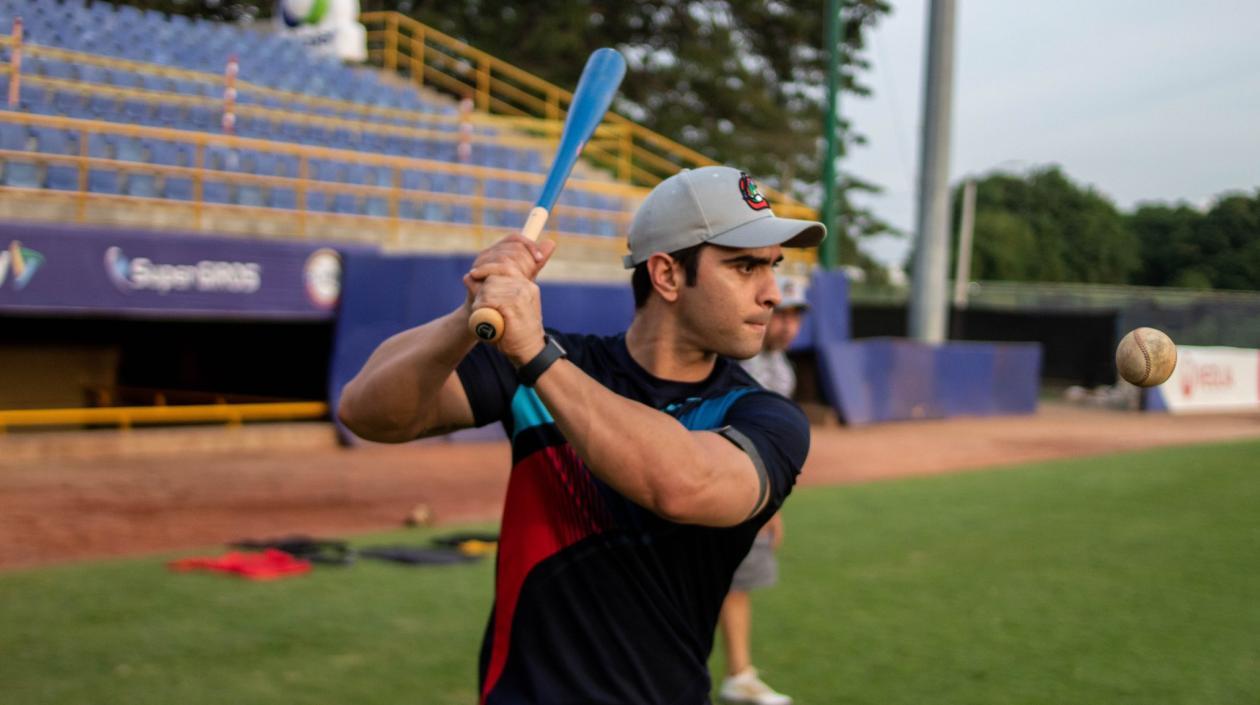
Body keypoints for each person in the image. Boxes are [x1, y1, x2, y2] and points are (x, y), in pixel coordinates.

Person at [338, 166, 825, 704]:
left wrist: (534, 354)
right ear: (666, 275)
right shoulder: (544, 364)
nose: (772, 294)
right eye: (746, 266)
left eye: (773, 267)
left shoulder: (765, 415)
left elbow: (684, 484)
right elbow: (369, 413)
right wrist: (468, 311)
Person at [717, 275, 808, 705]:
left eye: (796, 316)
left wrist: (770, 503)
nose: (788, 325)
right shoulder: (733, 358)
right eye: (781, 314)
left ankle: (739, 672)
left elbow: (767, 451)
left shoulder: (783, 371)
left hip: (747, 494)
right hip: (715, 487)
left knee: (736, 583)